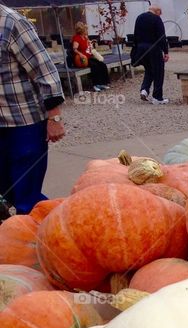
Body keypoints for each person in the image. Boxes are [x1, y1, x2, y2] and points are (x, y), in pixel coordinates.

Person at [0, 3, 66, 215]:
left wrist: (54, 119)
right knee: (6, 188)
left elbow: (45, 71)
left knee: (26, 195)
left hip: (23, 123)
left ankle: (47, 231)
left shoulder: (12, 22)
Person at [132, 5, 169, 105]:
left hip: (141, 48)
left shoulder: (139, 18)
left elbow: (135, 34)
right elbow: (162, 37)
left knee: (149, 70)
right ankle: (157, 97)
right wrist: (166, 51)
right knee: (158, 72)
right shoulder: (156, 19)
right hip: (153, 49)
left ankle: (144, 90)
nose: (160, 15)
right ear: (157, 11)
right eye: (160, 13)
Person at [70, 22, 110, 92]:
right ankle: (95, 85)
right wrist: (81, 54)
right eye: (86, 29)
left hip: (88, 57)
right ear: (82, 30)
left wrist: (91, 46)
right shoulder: (76, 38)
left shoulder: (85, 37)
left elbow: (89, 47)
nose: (87, 30)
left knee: (102, 64)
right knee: (94, 66)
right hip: (81, 60)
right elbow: (74, 49)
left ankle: (103, 83)